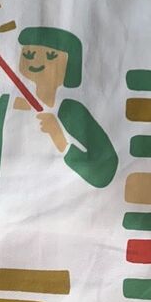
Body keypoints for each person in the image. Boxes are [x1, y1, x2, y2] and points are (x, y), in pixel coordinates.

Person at [17, 27, 118, 188]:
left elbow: (104, 170)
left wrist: (61, 142)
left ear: (69, 66)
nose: (37, 61)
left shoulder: (70, 111)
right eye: (29, 54)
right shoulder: (15, 104)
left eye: (51, 56)